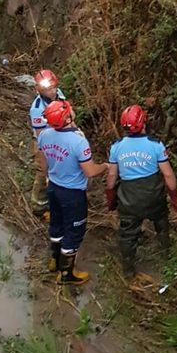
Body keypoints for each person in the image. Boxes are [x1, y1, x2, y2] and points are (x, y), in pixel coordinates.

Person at [36, 100, 108, 285]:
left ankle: (54, 259)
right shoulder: (78, 141)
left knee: (57, 223)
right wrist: (105, 166)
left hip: (53, 187)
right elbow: (90, 171)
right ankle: (67, 274)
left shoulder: (44, 135)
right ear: (67, 117)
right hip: (72, 194)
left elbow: (42, 165)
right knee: (74, 232)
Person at [106, 105, 177, 281]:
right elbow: (168, 174)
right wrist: (175, 198)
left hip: (129, 200)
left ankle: (129, 269)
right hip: (153, 196)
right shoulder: (155, 145)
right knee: (161, 222)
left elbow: (111, 176)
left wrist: (110, 197)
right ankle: (165, 254)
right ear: (144, 123)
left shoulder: (116, 147)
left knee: (127, 234)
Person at [29, 68, 65, 216]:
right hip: (44, 142)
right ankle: (38, 204)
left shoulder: (59, 94)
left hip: (61, 135)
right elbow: (41, 135)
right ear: (40, 90)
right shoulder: (37, 109)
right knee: (43, 172)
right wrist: (47, 155)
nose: (52, 92)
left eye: (53, 88)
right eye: (48, 90)